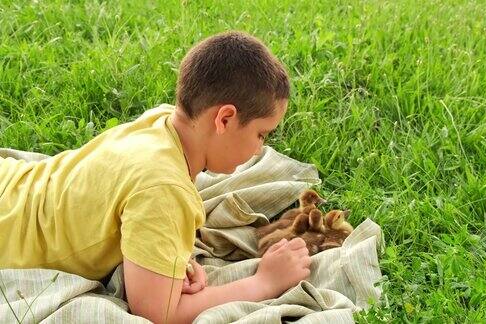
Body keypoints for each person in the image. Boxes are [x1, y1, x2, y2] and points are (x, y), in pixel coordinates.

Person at [0, 31, 311, 323]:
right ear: (224, 118)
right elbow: (159, 312)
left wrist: (175, 258)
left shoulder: (161, 123)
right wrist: (265, 282)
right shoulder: (164, 188)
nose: (260, 150)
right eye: (261, 134)